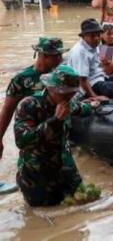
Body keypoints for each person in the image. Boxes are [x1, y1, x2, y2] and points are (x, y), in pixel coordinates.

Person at [14, 65, 98, 206]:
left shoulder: (67, 102)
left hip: (65, 166)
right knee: (43, 212)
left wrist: (93, 105)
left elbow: (80, 108)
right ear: (51, 88)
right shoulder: (29, 105)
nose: (68, 97)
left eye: (71, 94)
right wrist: (55, 121)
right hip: (37, 172)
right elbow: (22, 141)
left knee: (84, 203)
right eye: (64, 94)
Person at [0, 37, 68, 195]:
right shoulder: (23, 79)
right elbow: (8, 109)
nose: (60, 59)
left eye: (60, 55)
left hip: (54, 130)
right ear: (43, 55)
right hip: (32, 132)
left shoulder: (58, 75)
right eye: (55, 56)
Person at [67, 18, 113, 99]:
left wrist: (109, 44)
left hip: (101, 77)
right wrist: (95, 97)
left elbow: (106, 61)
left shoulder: (95, 44)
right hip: (93, 84)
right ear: (84, 36)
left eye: (98, 35)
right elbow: (82, 80)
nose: (96, 38)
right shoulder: (80, 52)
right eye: (92, 36)